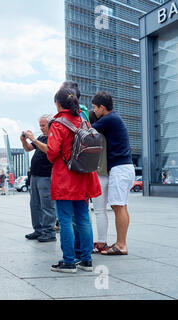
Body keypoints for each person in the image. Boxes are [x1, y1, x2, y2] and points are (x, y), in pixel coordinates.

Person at [47, 88, 101, 273]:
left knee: (65, 220)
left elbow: (52, 152)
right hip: (83, 176)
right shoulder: (83, 120)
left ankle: (69, 261)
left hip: (65, 177)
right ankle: (86, 260)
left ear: (58, 103)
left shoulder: (58, 123)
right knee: (84, 218)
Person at [91, 91, 135, 256]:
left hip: (120, 168)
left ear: (102, 107)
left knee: (118, 206)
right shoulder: (114, 118)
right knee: (121, 206)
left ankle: (121, 245)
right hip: (123, 168)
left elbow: (87, 131)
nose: (94, 111)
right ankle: (120, 242)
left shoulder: (109, 119)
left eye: (95, 107)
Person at [20, 115, 57, 243]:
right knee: (35, 204)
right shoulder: (41, 138)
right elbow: (28, 148)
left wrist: (33, 139)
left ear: (50, 125)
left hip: (46, 175)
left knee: (47, 205)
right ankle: (38, 230)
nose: (41, 128)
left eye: (43, 125)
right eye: (40, 125)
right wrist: (24, 141)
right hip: (35, 175)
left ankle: (49, 232)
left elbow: (48, 150)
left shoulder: (53, 137)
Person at [89, 110, 110, 253]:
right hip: (110, 172)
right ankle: (102, 241)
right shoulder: (109, 131)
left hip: (99, 174)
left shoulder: (94, 134)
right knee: (104, 210)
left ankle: (101, 242)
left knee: (99, 211)